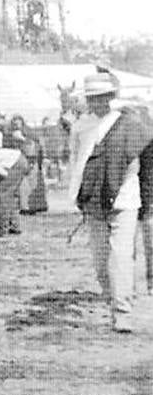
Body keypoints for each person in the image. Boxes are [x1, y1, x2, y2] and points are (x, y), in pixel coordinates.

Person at [66, 72, 153, 333]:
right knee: (101, 260)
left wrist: (147, 201)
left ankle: (121, 310)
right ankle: (112, 298)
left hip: (125, 199)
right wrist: (79, 196)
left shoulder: (130, 125)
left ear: (111, 97)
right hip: (93, 200)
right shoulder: (81, 127)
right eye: (93, 98)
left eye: (102, 97)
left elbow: (144, 163)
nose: (98, 103)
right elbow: (77, 164)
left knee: (121, 256)